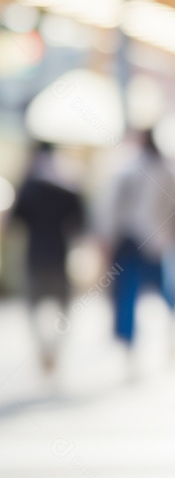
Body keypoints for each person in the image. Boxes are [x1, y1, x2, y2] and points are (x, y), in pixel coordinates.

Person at [102, 130, 175, 367]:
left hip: (132, 240)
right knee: (166, 292)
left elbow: (112, 208)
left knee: (128, 294)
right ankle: (172, 335)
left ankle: (130, 348)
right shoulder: (171, 172)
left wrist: (106, 238)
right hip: (159, 241)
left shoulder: (128, 169)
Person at [10, 142, 86, 373]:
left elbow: (15, 219)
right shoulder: (66, 185)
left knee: (34, 306)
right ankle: (53, 347)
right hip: (59, 255)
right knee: (64, 307)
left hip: (36, 255)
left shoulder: (30, 186)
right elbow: (80, 221)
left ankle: (45, 347)